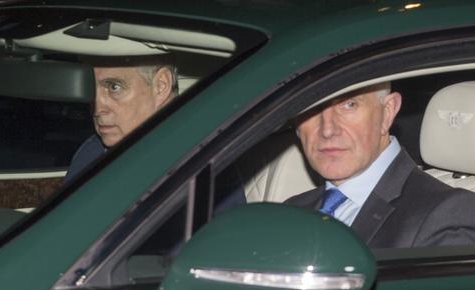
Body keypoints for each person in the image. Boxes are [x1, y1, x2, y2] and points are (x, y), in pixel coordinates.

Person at [286, 83, 475, 249]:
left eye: (349, 105)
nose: (327, 129)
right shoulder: (290, 212)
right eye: (311, 108)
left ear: (387, 112)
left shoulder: (447, 215)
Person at [64, 56, 245, 214]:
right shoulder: (91, 152)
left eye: (114, 87)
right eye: (90, 89)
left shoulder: (202, 165)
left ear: (161, 86)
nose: (97, 108)